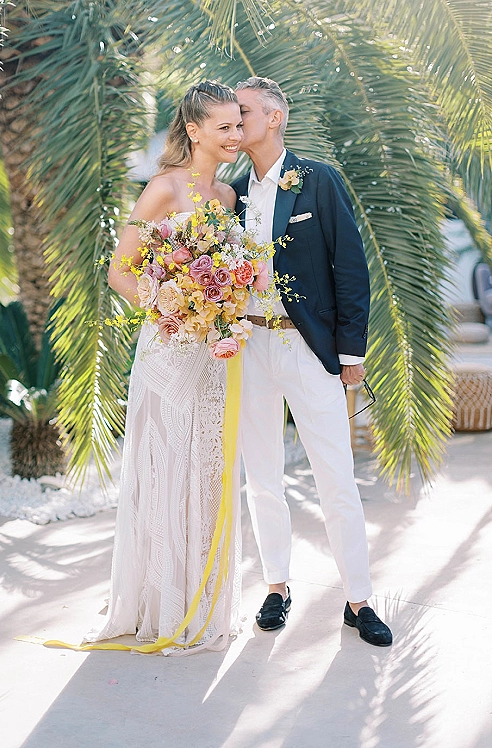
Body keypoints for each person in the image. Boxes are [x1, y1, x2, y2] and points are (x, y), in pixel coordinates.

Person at [231, 76, 392, 647]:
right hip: (248, 347)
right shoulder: (231, 192)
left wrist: (352, 353)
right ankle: (276, 585)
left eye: (243, 111)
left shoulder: (316, 180)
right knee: (263, 475)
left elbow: (350, 267)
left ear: (274, 117)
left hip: (309, 348)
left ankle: (359, 599)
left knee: (335, 477)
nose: (234, 119)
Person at [85, 81, 243, 653]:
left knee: (206, 471)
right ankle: (158, 605)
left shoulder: (226, 199)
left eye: (237, 125)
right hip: (168, 348)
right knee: (166, 467)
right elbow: (120, 271)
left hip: (214, 355)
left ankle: (203, 602)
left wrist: (223, 306)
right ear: (194, 130)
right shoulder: (162, 189)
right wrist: (170, 307)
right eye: (223, 127)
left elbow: (234, 272)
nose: (234, 136)